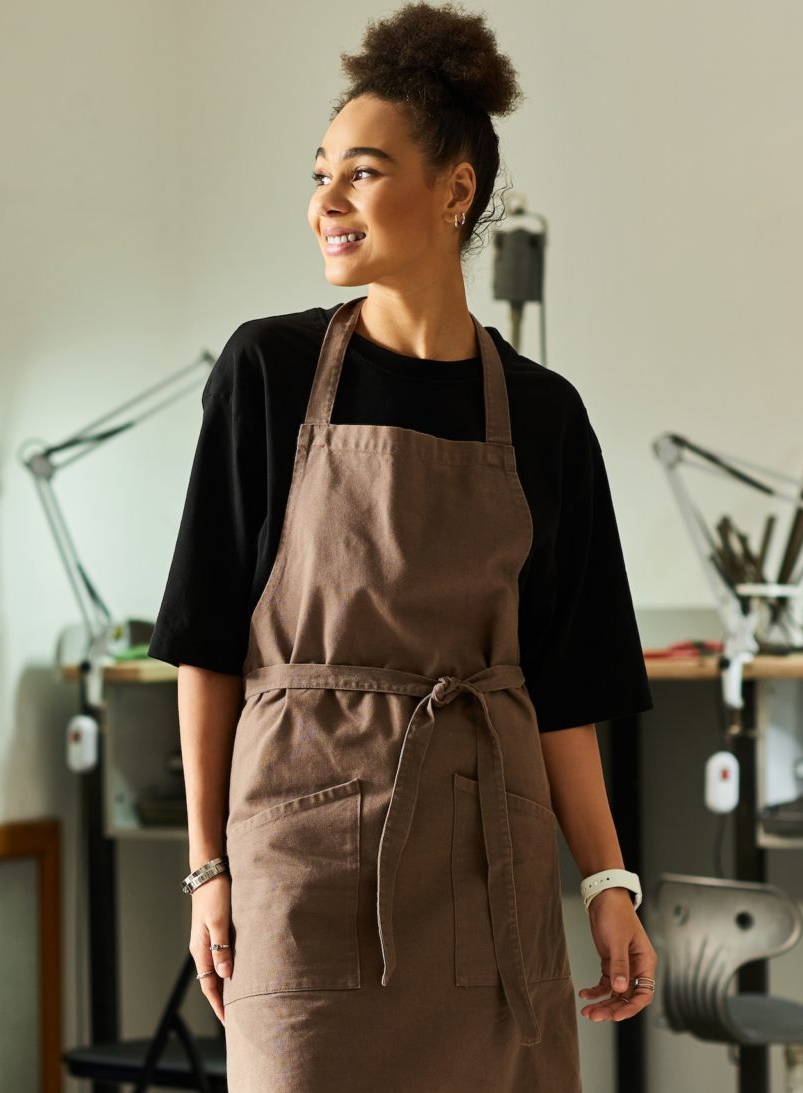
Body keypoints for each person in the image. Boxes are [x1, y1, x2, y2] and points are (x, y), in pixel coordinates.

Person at [146, 4, 658, 1088]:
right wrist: (207, 868)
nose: (325, 200)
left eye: (362, 172)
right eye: (319, 172)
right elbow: (206, 646)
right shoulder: (269, 373)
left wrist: (609, 881)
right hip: (304, 851)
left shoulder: (545, 414)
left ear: (456, 189)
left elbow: (564, 687)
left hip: (488, 857)